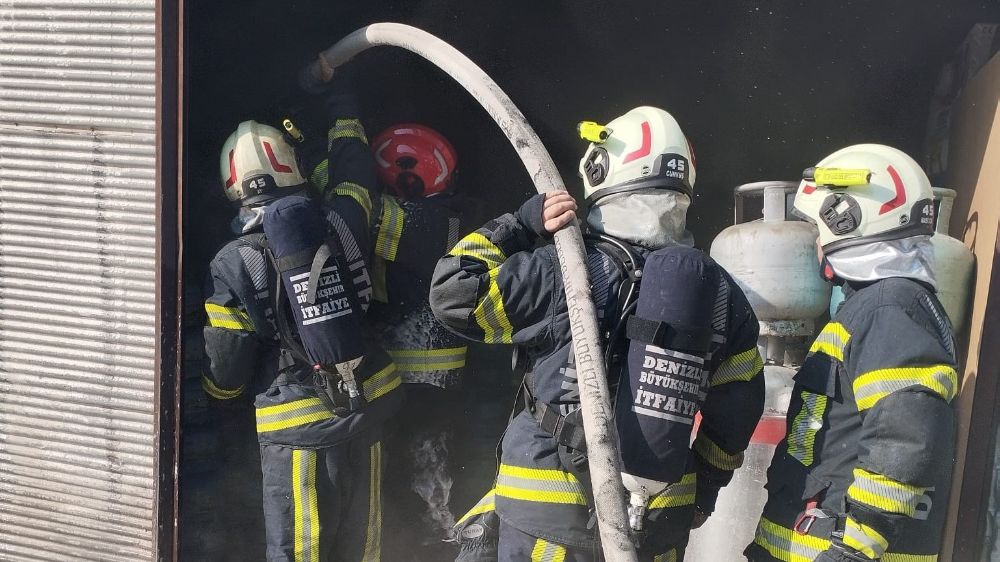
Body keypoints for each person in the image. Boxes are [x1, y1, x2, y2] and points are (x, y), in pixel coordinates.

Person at [430, 106, 765, 561]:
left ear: (601, 169)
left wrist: (520, 224)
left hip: (550, 512)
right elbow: (738, 408)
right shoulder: (720, 293)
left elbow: (453, 292)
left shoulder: (561, 269)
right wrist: (702, 488)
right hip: (660, 518)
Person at [202, 82, 403, 561]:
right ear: (291, 167)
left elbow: (227, 361)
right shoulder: (342, 219)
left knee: (301, 550)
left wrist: (220, 401)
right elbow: (355, 177)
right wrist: (341, 107)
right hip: (367, 404)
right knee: (364, 544)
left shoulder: (234, 260)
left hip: (297, 427)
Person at [745, 144, 958, 562]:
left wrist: (852, 552)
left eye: (818, 228)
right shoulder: (877, 306)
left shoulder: (890, 308)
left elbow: (904, 442)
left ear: (847, 219)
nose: (816, 242)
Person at [367, 123, 475, 559]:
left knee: (428, 481)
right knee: (429, 473)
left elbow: (363, 214)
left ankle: (431, 551)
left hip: (418, 377)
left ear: (409, 175)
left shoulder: (421, 219)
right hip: (432, 374)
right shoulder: (448, 211)